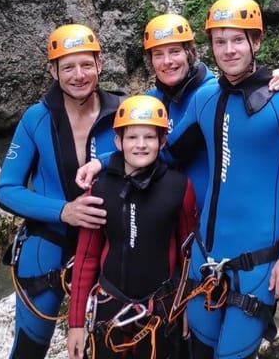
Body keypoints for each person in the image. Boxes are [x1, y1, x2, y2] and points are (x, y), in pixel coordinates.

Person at [184, 0, 279, 359]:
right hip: (203, 260)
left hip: (257, 267)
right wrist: (104, 162)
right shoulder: (204, 98)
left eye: (238, 39)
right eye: (220, 41)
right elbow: (163, 151)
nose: (229, 50)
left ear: (256, 42)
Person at [75, 13, 279, 214]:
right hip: (169, 214)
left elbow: (248, 94)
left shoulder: (213, 94)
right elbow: (152, 151)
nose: (167, 62)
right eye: (158, 54)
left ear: (189, 53)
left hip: (214, 218)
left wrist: (275, 79)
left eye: (175, 52)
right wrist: (101, 163)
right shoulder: (150, 102)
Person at [0, 24, 124, 359]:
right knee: (28, 348)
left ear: (100, 63)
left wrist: (106, 161)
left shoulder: (124, 113)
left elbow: (161, 149)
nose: (78, 75)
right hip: (48, 241)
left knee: (110, 347)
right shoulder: (36, 118)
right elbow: (6, 189)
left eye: (85, 64)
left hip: (110, 243)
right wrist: (64, 211)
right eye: (67, 67)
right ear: (52, 70)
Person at [66, 95, 197, 359]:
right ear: (118, 141)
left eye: (149, 137)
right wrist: (76, 324)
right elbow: (87, 256)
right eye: (132, 137)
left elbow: (189, 254)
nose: (140, 145)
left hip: (161, 309)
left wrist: (188, 308)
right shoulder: (100, 188)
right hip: (109, 307)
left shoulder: (179, 187)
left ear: (162, 141)